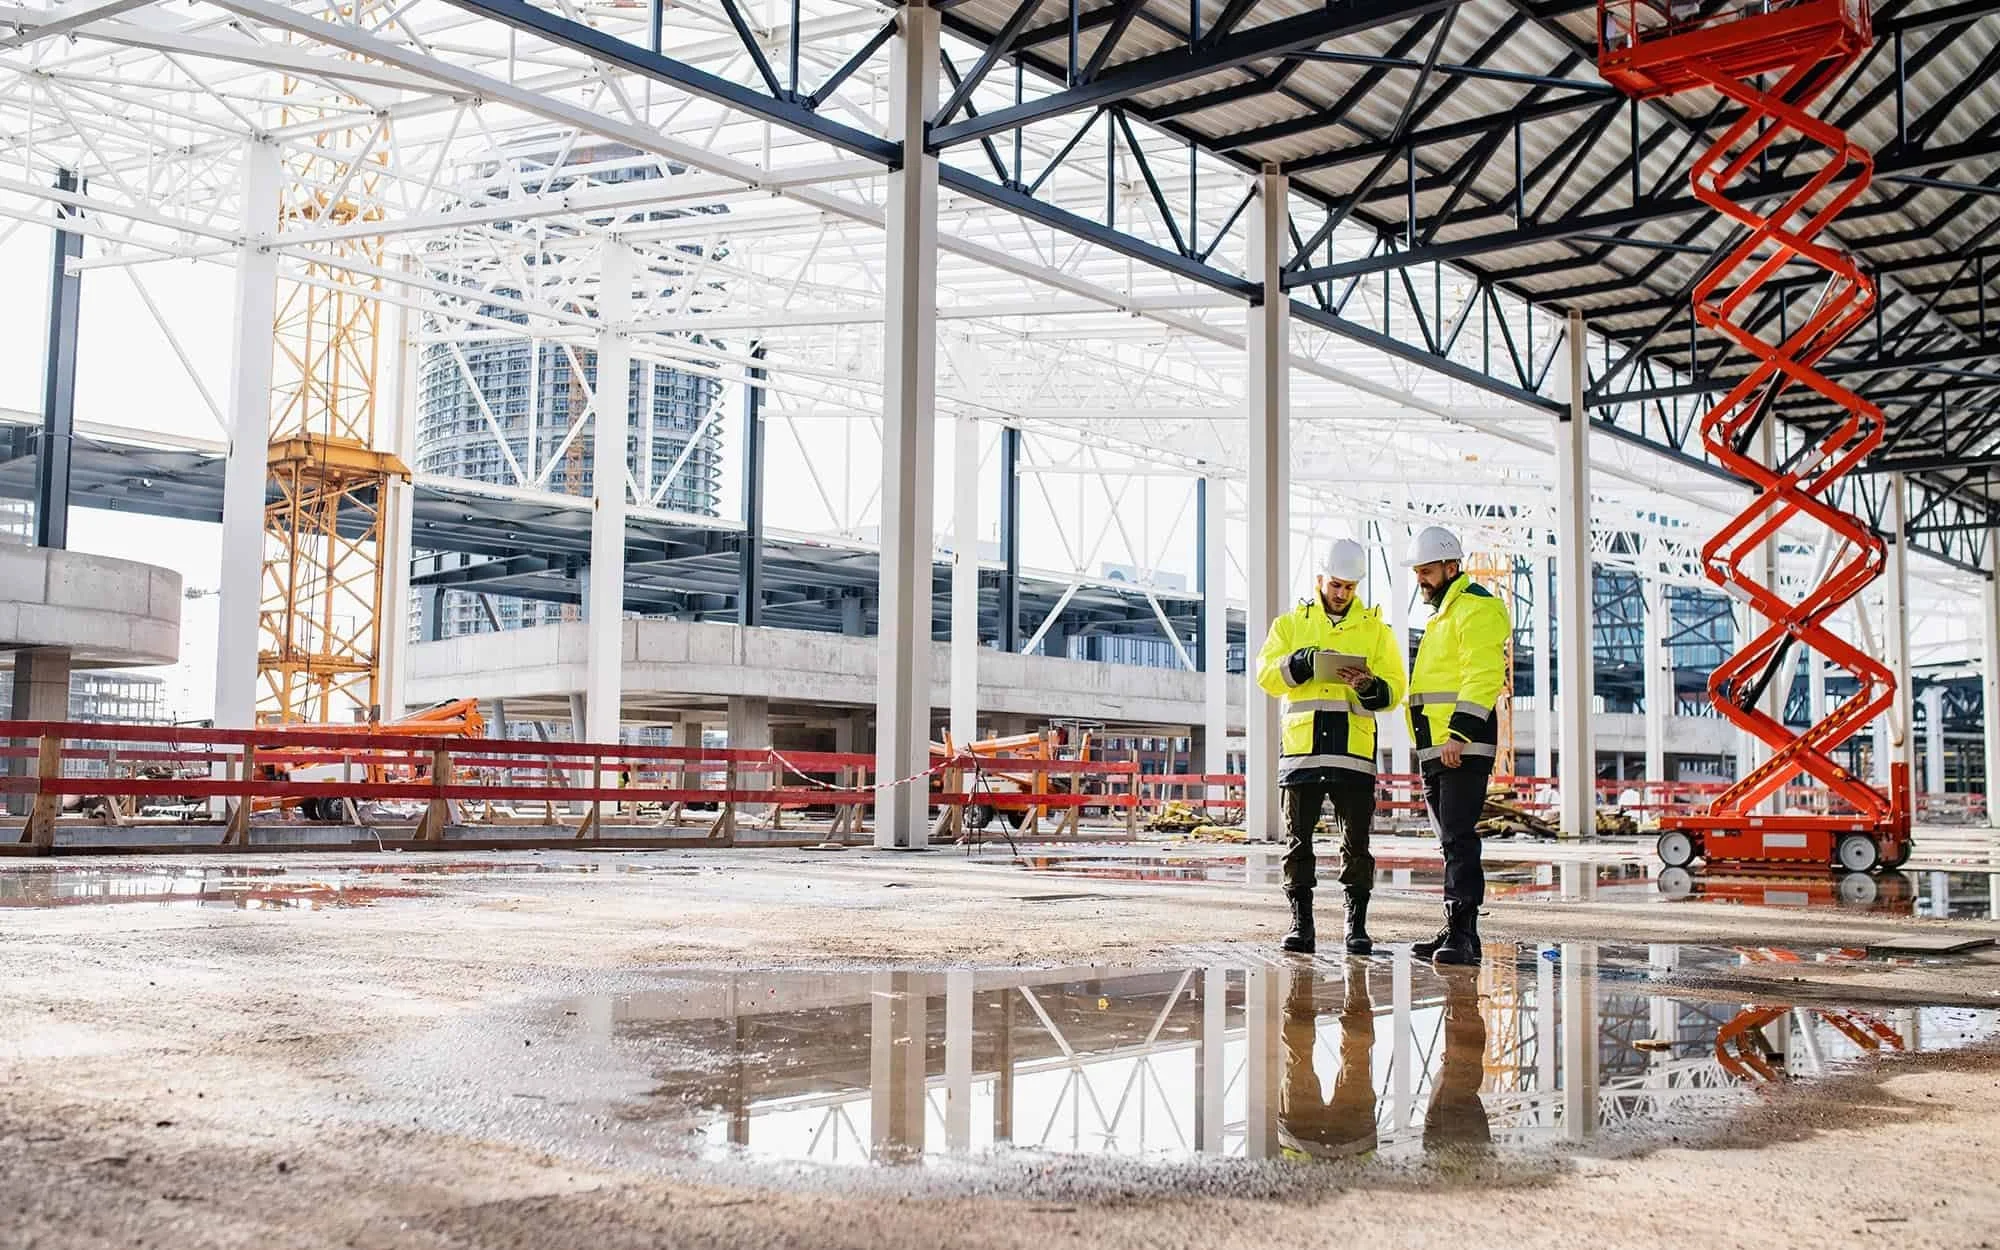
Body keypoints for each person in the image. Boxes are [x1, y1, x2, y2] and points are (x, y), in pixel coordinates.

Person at [1255, 538, 1408, 955]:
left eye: (1350, 587)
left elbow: (1396, 687)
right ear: (1320, 578)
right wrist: (1299, 663)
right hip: (1302, 752)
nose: (1342, 594)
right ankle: (1301, 925)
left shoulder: (1376, 631)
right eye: (1336, 585)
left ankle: (1355, 927)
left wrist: (1372, 687)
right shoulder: (1289, 625)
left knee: (1356, 846)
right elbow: (1265, 676)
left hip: (1353, 755)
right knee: (1297, 843)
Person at [1404, 525, 1511, 966]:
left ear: (1451, 567)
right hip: (1437, 749)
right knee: (1450, 841)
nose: (1421, 581)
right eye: (1418, 574)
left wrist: (1460, 735)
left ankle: (1463, 935)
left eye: (1427, 572)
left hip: (1459, 746)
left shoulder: (1476, 608)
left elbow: (1483, 674)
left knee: (1460, 840)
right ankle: (1457, 929)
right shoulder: (1443, 615)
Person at [1277, 965, 1379, 1161]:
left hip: (1352, 1143)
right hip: (1304, 1141)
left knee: (1356, 1058)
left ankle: (1354, 975)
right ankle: (1302, 976)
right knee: (1298, 1060)